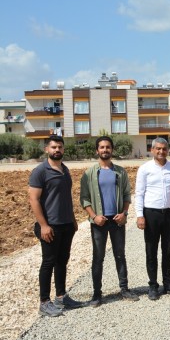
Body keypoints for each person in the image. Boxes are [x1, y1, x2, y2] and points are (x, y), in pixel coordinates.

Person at [28, 135, 84, 317]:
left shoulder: (65, 170)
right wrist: (43, 225)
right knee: (48, 262)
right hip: (50, 226)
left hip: (66, 224)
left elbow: (65, 198)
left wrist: (73, 219)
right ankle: (44, 302)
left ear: (63, 149)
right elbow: (34, 200)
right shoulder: (40, 171)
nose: (57, 150)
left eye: (59, 147)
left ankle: (61, 296)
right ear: (47, 149)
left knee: (62, 261)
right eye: (53, 147)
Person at [80, 136, 139, 307]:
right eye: (101, 147)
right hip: (99, 222)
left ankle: (125, 289)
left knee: (120, 255)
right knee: (98, 258)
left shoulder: (120, 172)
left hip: (117, 220)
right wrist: (94, 216)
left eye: (107, 147)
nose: (105, 150)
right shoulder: (89, 173)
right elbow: (84, 198)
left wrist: (124, 213)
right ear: (97, 150)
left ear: (112, 150)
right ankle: (97, 294)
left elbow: (127, 195)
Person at [135, 138, 170, 300]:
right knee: (151, 251)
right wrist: (139, 215)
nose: (161, 152)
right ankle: (153, 285)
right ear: (152, 150)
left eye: (164, 149)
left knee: (168, 250)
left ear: (168, 150)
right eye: (158, 149)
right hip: (151, 214)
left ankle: (168, 283)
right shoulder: (145, 169)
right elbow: (139, 193)